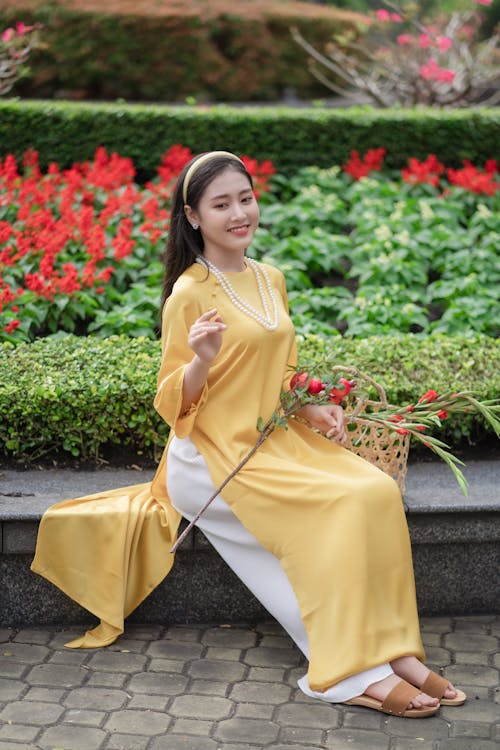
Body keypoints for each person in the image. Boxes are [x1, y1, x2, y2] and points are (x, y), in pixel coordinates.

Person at [32, 149, 466, 718]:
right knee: (340, 504)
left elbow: (282, 373)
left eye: (246, 198)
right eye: (221, 204)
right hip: (212, 458)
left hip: (272, 440)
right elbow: (172, 400)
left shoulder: (270, 278)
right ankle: (347, 672)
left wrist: (311, 409)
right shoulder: (189, 293)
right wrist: (201, 361)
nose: (239, 213)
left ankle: (394, 651)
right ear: (193, 216)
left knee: (375, 491)